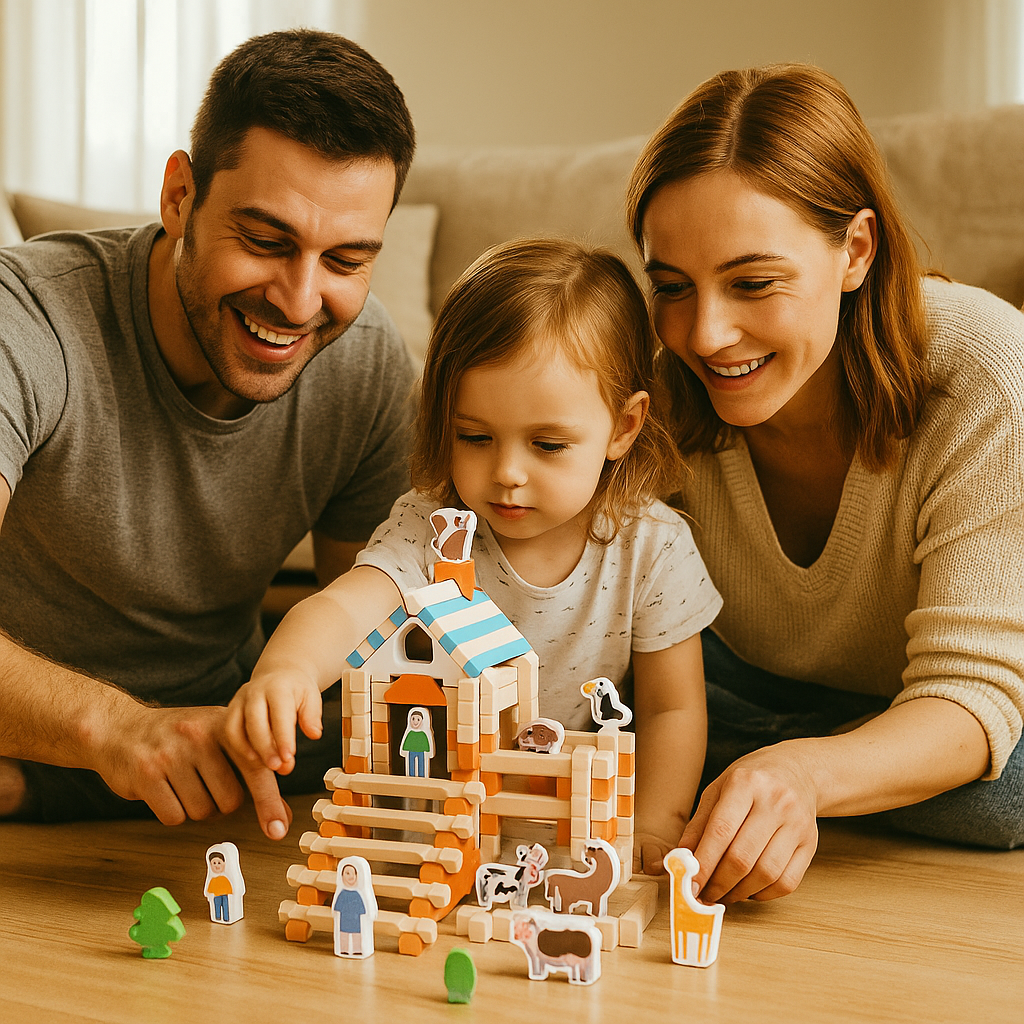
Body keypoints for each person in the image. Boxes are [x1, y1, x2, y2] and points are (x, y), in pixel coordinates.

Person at [626, 63, 1024, 904]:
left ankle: (789, 764)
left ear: (855, 250)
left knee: (1000, 795)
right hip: (753, 687)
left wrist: (803, 770)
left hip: (973, 695)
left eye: (753, 283)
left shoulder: (984, 371)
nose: (706, 335)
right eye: (672, 287)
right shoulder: (650, 395)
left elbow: (969, 689)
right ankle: (822, 761)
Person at [0, 29, 417, 832]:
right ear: (179, 195)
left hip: (224, 766)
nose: (299, 303)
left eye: (346, 260)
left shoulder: (365, 366)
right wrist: (114, 731)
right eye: (266, 241)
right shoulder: (28, 318)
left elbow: (364, 652)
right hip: (33, 742)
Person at [224, 238, 723, 865]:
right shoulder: (435, 527)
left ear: (623, 427)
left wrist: (652, 827)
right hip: (439, 828)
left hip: (573, 832)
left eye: (547, 445)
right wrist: (287, 670)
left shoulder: (653, 546)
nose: (507, 472)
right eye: (475, 436)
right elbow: (348, 609)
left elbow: (672, 709)